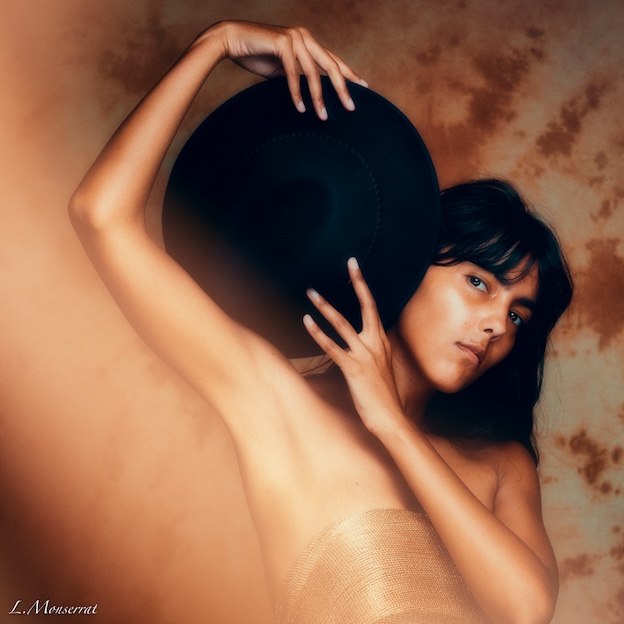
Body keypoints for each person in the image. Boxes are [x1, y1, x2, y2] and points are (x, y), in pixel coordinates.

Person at [69, 20, 573, 624]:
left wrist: (392, 424)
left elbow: (526, 609)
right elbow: (100, 215)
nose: (498, 326)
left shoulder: (501, 465)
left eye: (518, 314)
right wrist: (217, 43)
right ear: (413, 256)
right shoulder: (278, 404)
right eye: (478, 283)